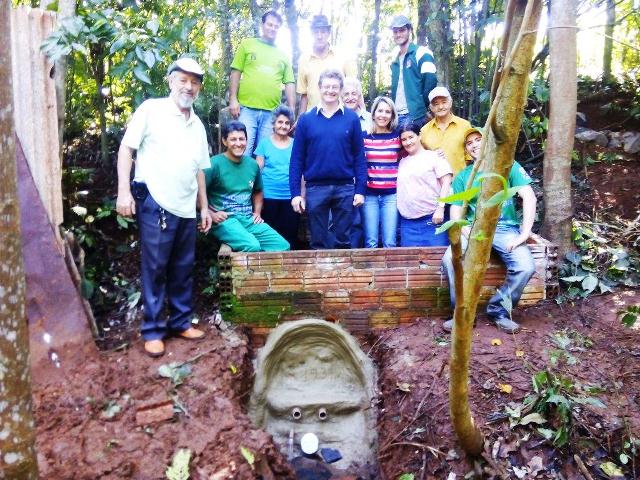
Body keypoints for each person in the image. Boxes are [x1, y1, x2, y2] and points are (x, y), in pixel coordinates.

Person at [116, 57, 212, 358]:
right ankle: (154, 330)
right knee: (155, 267)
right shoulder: (151, 110)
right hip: (155, 199)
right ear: (170, 81)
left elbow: (199, 169)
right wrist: (123, 192)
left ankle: (181, 322)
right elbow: (127, 148)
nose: (189, 86)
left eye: (194, 82)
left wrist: (204, 207)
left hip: (186, 205)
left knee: (183, 267)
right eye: (183, 80)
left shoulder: (197, 124)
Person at [442, 127, 536, 334]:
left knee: (526, 266)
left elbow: (528, 196)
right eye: (469, 143)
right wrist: (466, 231)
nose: (475, 144)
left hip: (504, 230)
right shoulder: (463, 177)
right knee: (451, 259)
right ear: (466, 150)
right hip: (473, 230)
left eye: (479, 139)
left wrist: (525, 232)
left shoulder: (507, 166)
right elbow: (455, 211)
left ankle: (498, 310)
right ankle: (463, 313)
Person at [289, 69, 367, 250]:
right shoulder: (306, 120)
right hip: (316, 188)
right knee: (318, 242)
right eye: (326, 86)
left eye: (335, 87)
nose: (330, 90)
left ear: (340, 89)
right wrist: (295, 194)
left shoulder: (351, 119)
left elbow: (359, 157)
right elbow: (297, 160)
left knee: (343, 241)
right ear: (319, 88)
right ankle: (321, 278)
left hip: (345, 188)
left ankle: (341, 278)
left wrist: (360, 189)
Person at [205, 121, 290, 253]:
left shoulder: (252, 165)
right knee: (252, 246)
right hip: (225, 220)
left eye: (241, 139)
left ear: (246, 140)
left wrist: (257, 212)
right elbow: (197, 193)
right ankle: (238, 272)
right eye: (233, 139)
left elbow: (258, 191)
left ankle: (261, 272)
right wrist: (211, 213)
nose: (238, 143)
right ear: (224, 141)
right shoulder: (213, 164)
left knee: (282, 246)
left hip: (248, 219)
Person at [228, 10, 296, 156]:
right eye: (270, 24)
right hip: (246, 109)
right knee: (241, 151)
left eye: (276, 26)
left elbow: (290, 83)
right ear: (262, 25)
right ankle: (240, 180)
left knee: (263, 155)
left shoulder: (283, 55)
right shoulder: (247, 44)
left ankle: (259, 180)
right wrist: (233, 99)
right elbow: (236, 71)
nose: (272, 28)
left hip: (271, 113)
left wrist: (291, 110)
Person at [397, 121, 453, 247]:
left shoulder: (434, 156)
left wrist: (440, 208)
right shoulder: (401, 162)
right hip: (407, 224)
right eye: (404, 139)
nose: (408, 142)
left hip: (432, 220)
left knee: (438, 262)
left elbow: (446, 181)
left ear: (419, 136)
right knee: (410, 265)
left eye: (411, 137)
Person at [254, 106, 299, 249]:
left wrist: (301, 195)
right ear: (273, 123)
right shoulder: (264, 143)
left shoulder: (296, 144)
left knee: (289, 237)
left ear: (291, 125)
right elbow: (257, 169)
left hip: (290, 197)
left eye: (287, 123)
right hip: (268, 197)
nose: (283, 126)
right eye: (280, 122)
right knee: (270, 237)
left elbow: (300, 171)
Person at [362, 96, 402, 248]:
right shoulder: (363, 136)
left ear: (392, 116)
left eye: (387, 112)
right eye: (380, 111)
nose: (383, 115)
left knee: (390, 242)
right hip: (369, 195)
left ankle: (391, 272)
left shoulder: (397, 136)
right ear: (373, 113)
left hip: (391, 195)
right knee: (371, 242)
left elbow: (415, 148)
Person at [297, 14, 356, 114]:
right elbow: (304, 94)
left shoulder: (342, 56)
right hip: (313, 117)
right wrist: (300, 118)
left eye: (323, 32)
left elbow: (354, 88)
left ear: (328, 33)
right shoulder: (304, 59)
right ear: (312, 34)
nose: (319, 36)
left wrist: (362, 114)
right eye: (316, 32)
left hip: (339, 115)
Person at [389, 14, 437, 127]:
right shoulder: (394, 59)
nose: (398, 34)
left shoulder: (422, 52)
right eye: (395, 31)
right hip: (396, 115)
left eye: (402, 30)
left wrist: (422, 108)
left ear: (409, 30)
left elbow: (431, 81)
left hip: (415, 116)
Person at [419, 86, 472, 173]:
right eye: (436, 104)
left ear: (450, 103)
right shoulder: (424, 131)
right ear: (431, 107)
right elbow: (421, 158)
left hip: (460, 182)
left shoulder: (464, 125)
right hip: (434, 183)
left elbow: (470, 156)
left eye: (444, 102)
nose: (440, 107)